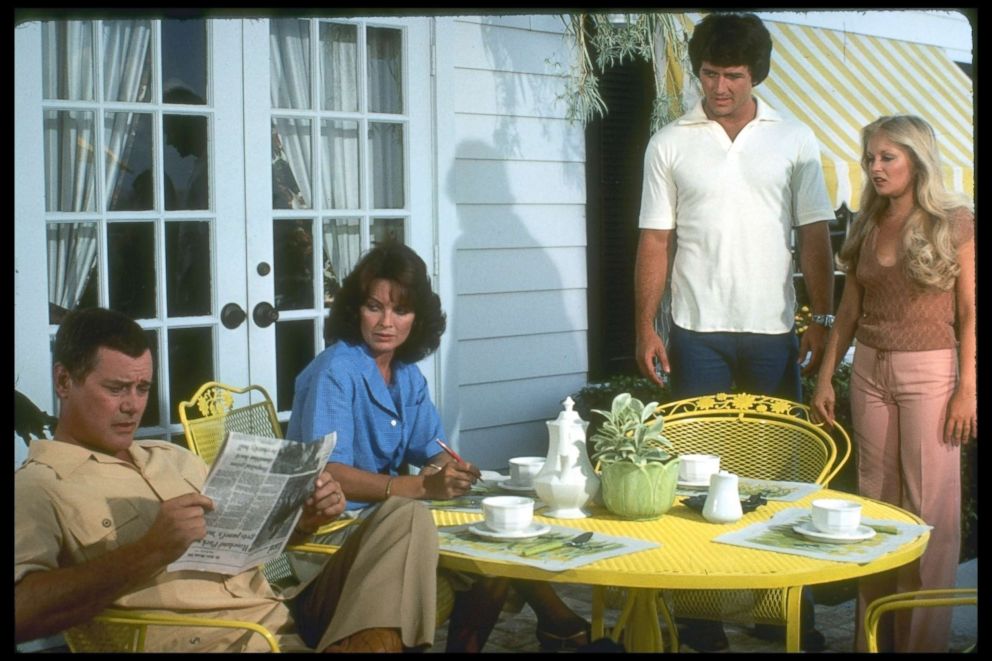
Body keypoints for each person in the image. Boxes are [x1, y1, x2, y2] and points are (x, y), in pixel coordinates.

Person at [15, 307, 439, 652]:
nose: (133, 406)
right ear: (64, 381)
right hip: (228, 640)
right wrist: (150, 551)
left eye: (142, 388)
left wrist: (303, 519)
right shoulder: (40, 485)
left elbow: (243, 548)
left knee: (403, 518)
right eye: (116, 388)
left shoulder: (171, 458)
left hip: (280, 613)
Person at [633, 12, 835, 652]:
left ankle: (780, 611)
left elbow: (813, 237)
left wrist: (822, 321)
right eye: (710, 73)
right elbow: (654, 240)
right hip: (696, 332)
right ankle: (699, 614)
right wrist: (646, 324)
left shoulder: (796, 139)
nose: (718, 87)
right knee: (699, 478)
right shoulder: (668, 142)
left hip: (773, 333)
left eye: (733, 76)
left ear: (758, 76)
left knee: (780, 475)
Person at [287, 241, 592, 652]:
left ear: (419, 317)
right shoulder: (335, 372)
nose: (386, 322)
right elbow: (331, 473)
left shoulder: (405, 374)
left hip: (385, 525)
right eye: (374, 307)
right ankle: (556, 617)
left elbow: (431, 446)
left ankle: (553, 618)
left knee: (494, 554)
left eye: (401, 310)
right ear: (354, 310)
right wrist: (420, 488)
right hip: (333, 538)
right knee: (485, 550)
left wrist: (449, 468)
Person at [811, 115, 975, 653]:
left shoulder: (954, 222)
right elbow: (850, 307)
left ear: (916, 160)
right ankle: (871, 642)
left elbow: (971, 311)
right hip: (869, 372)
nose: (876, 168)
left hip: (931, 371)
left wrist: (968, 388)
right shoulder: (866, 221)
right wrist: (826, 378)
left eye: (888, 158)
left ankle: (921, 645)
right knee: (876, 510)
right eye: (871, 158)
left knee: (930, 512)